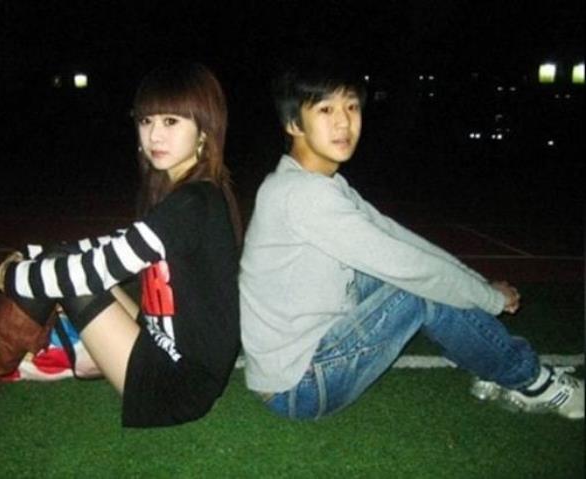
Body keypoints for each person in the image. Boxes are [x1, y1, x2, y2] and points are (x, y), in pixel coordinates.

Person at [0, 61, 243, 428]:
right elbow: (121, 243)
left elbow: (94, 269)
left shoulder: (193, 203)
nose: (154, 135)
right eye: (146, 120)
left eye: (171, 121)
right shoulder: (186, 192)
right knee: (60, 261)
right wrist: (37, 255)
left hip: (175, 386)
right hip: (164, 346)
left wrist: (16, 275)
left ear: (204, 130)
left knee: (67, 278)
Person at [239, 60, 583, 421]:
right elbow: (408, 266)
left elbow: (395, 236)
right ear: (294, 124)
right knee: (417, 288)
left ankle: (484, 358)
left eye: (352, 107)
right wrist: (489, 298)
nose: (344, 122)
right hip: (300, 387)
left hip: (300, 363)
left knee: (420, 278)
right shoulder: (303, 195)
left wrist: (479, 284)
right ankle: (534, 383)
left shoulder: (316, 184)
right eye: (326, 110)